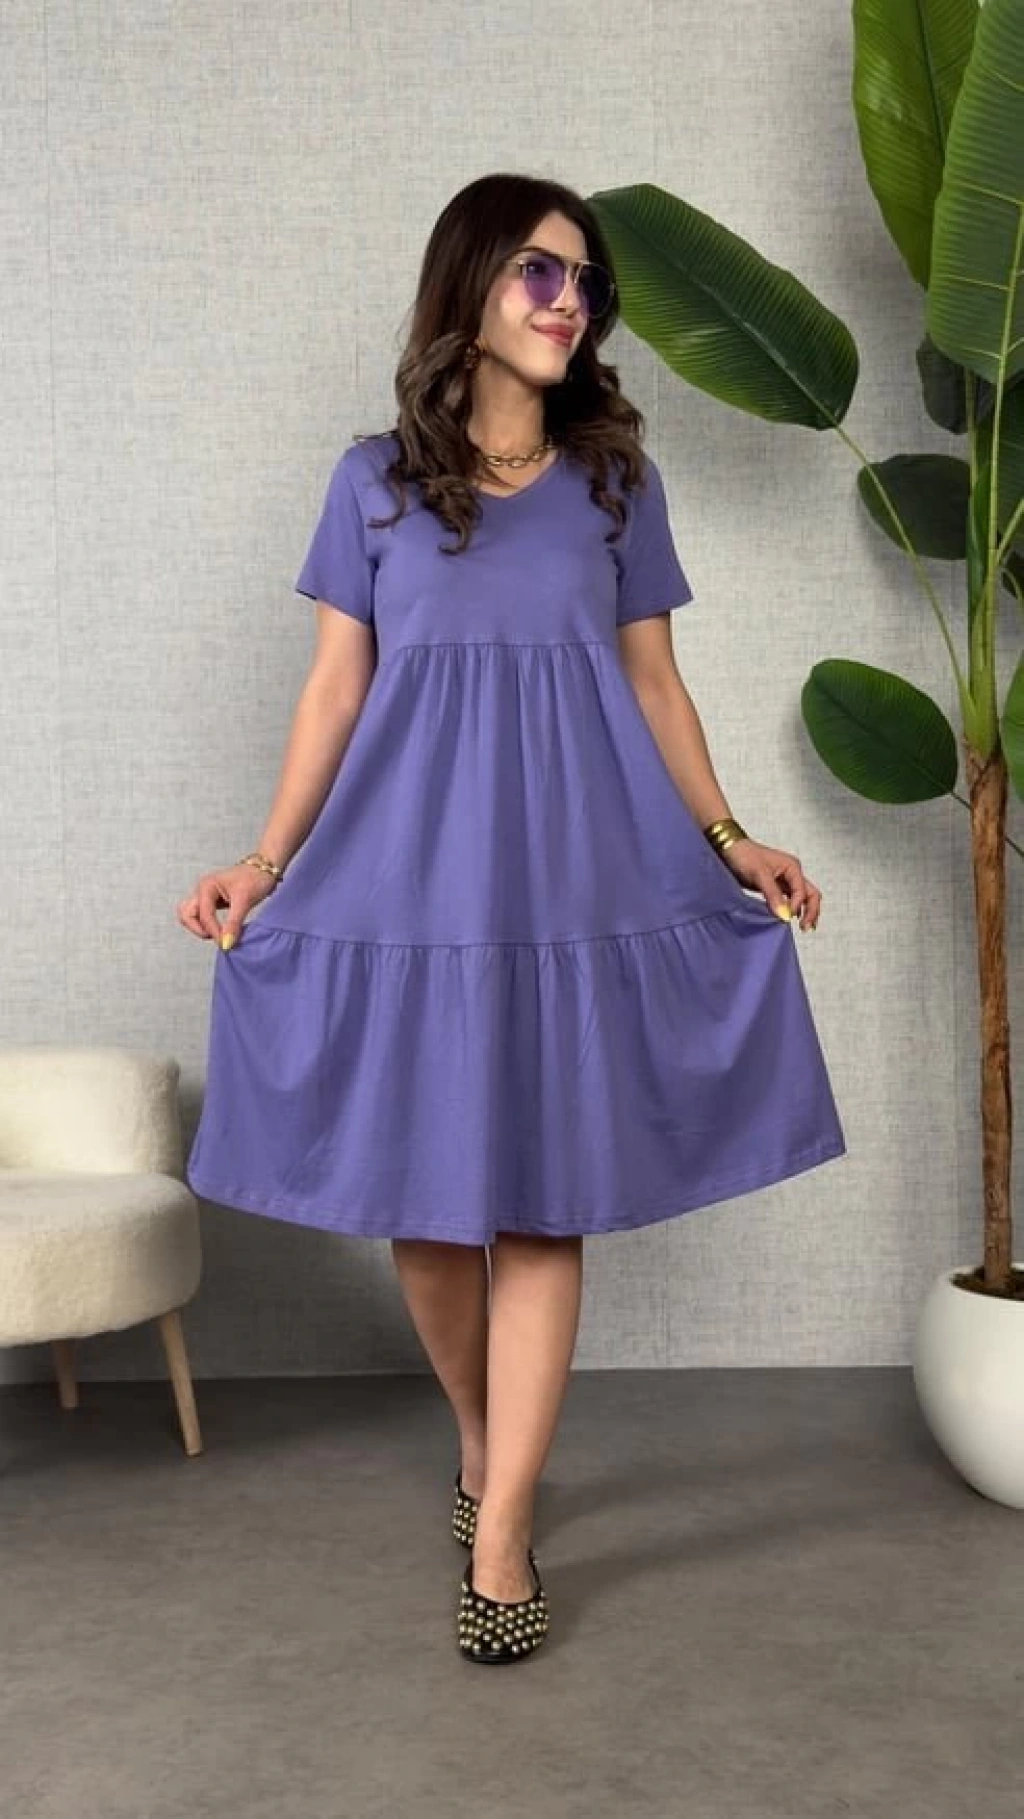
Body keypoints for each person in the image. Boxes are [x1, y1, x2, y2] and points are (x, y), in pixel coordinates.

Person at [178, 171, 847, 1665]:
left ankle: (502, 1531)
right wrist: (266, 863)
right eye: (542, 272)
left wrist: (730, 836)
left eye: (587, 282)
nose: (571, 302)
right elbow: (336, 689)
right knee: (429, 1212)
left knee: (543, 1203)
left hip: (577, 876)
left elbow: (654, 683)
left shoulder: (616, 481)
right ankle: (484, 1436)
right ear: (471, 283)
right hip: (408, 877)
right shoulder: (371, 482)